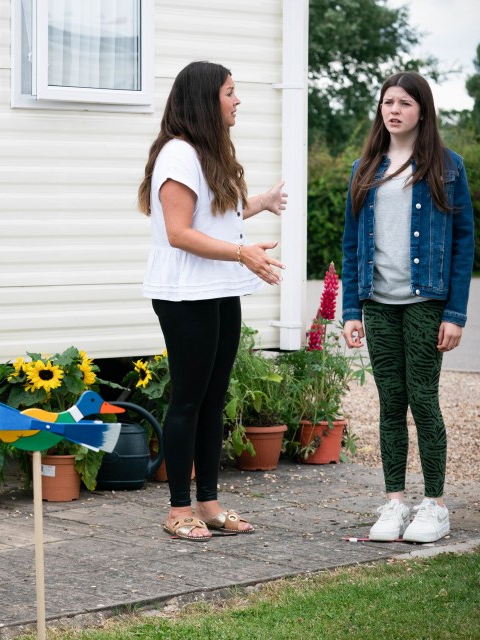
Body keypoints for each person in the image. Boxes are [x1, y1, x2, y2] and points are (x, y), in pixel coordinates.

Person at [138, 61, 287, 541]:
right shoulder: (177, 155)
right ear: (206, 100)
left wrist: (260, 202)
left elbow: (215, 214)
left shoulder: (207, 153)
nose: (237, 100)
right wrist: (243, 253)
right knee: (187, 400)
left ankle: (208, 503)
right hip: (185, 295)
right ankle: (178, 509)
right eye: (229, 92)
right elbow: (180, 232)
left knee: (213, 399)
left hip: (219, 289)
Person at [341, 72, 475, 543]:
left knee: (423, 397)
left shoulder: (447, 167)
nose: (393, 110)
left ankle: (435, 505)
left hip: (425, 301)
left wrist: (455, 314)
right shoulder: (365, 168)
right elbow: (351, 244)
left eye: (404, 103)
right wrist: (351, 311)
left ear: (422, 110)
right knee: (390, 402)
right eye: (387, 102)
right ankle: (395, 502)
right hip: (377, 303)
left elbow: (463, 244)